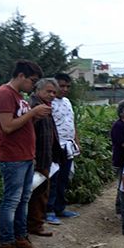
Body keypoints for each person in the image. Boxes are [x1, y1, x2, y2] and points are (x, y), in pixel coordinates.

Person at [0, 60, 49, 248]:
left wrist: (34, 117)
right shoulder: (4, 94)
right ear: (21, 76)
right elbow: (7, 127)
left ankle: (20, 238)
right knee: (11, 201)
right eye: (32, 81)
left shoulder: (19, 96)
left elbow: (21, 125)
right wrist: (33, 113)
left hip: (24, 156)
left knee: (23, 199)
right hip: (12, 157)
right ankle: (6, 245)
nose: (33, 85)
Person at [28, 78, 64, 237]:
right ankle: (34, 225)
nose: (51, 95)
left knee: (41, 192)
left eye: (54, 93)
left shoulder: (45, 107)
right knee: (37, 193)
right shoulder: (34, 107)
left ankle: (36, 224)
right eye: (48, 91)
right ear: (38, 90)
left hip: (46, 158)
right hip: (37, 158)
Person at [47, 73, 81, 225]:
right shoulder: (49, 102)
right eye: (62, 86)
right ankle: (49, 210)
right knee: (52, 179)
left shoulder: (67, 102)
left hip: (68, 146)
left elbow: (73, 123)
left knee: (63, 179)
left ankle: (60, 207)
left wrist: (76, 141)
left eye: (68, 86)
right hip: (54, 147)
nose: (65, 89)